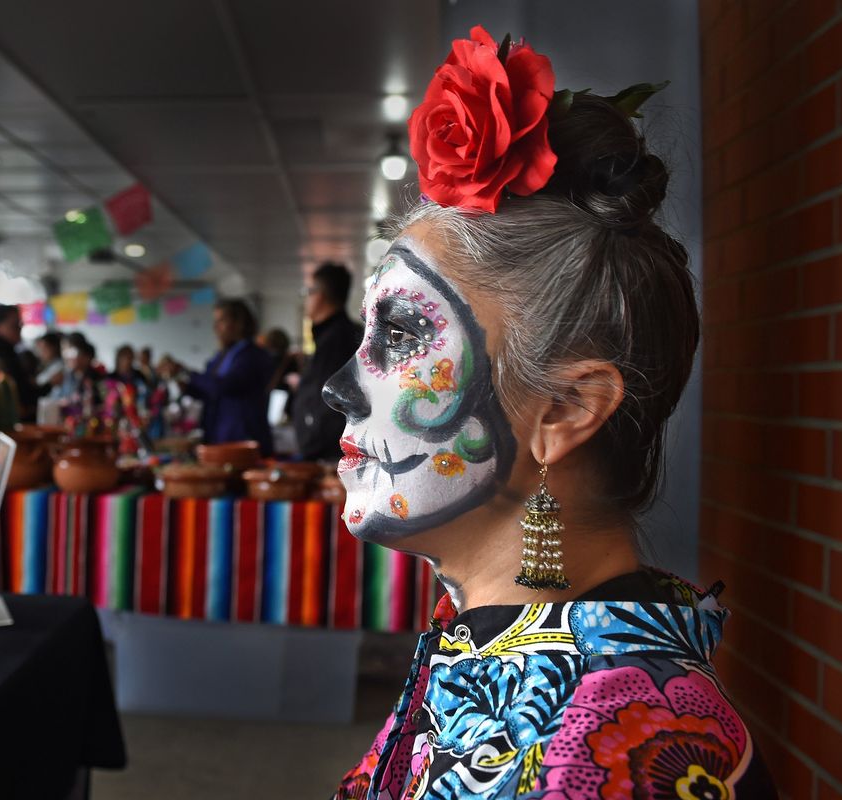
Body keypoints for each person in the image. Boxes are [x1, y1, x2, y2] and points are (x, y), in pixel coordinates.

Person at [327, 29, 775, 798]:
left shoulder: (605, 753)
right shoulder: (513, 643)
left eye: (399, 335)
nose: (340, 383)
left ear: (564, 409)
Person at [181, 299, 273, 454]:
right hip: (219, 434)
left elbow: (225, 386)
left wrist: (189, 373)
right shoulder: (221, 356)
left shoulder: (251, 355)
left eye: (222, 320)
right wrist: (185, 385)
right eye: (215, 321)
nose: (216, 327)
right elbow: (208, 391)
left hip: (242, 435)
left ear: (239, 323)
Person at [291, 262, 363, 461]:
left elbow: (328, 400)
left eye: (308, 292)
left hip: (328, 454)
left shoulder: (336, 340)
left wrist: (311, 446)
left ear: (319, 295)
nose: (306, 299)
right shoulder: (336, 335)